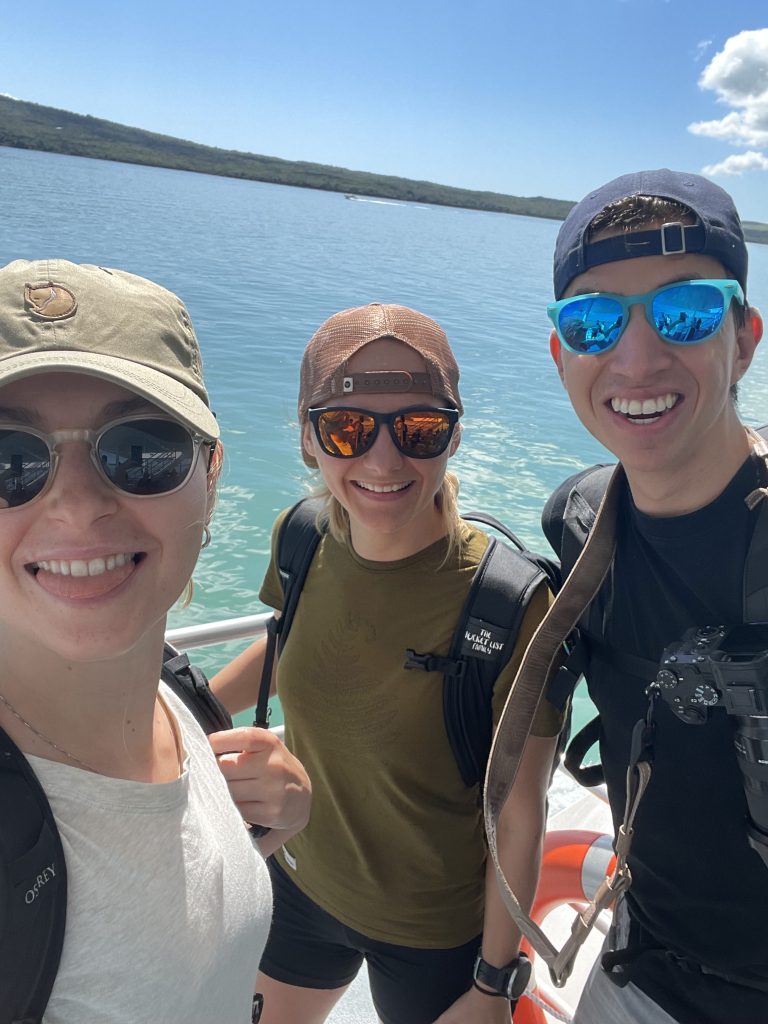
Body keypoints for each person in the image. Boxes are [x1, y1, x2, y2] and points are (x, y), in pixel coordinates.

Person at [212, 302, 565, 1024]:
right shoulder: (303, 536)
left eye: (419, 428)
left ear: (455, 436)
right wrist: (179, 730)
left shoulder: (511, 604)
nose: (381, 460)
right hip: (299, 881)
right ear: (309, 441)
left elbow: (520, 809)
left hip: (433, 930)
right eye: (346, 429)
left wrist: (496, 982)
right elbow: (287, 644)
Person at [0, 258, 309, 1023]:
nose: (75, 506)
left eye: (139, 450)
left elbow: (158, 910)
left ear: (212, 472)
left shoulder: (175, 702)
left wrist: (267, 828)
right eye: (9, 461)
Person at [539, 170, 766, 1023]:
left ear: (743, 339)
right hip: (641, 971)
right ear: (563, 356)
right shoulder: (579, 519)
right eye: (595, 321)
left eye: (685, 313)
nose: (636, 359)